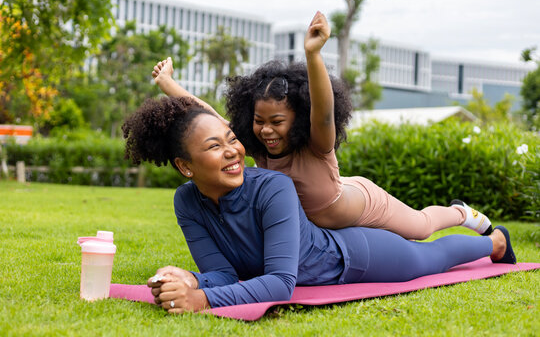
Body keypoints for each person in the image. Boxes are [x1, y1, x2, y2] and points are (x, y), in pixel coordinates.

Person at [121, 96, 516, 314]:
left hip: (353, 257)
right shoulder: (187, 201)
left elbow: (281, 283)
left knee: (428, 258)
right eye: (214, 146)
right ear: (184, 166)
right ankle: (486, 239)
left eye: (230, 139)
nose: (233, 151)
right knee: (426, 253)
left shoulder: (273, 188)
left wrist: (199, 298)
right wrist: (191, 280)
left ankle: (493, 243)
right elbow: (223, 274)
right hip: (330, 257)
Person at [151, 11, 492, 240]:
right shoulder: (252, 143)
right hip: (324, 214)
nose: (266, 130)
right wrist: (169, 85)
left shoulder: (315, 143)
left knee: (419, 228)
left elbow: (324, 112)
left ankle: (461, 213)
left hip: (363, 202)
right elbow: (208, 117)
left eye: (277, 122)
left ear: (297, 119)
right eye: (259, 121)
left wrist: (313, 55)